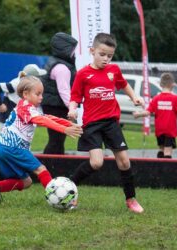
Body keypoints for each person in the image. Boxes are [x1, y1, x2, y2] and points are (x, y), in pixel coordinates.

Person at [67, 33, 144, 213]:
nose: (106, 59)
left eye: (109, 56)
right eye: (102, 54)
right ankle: (69, 188)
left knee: (124, 162)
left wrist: (134, 98)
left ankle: (131, 199)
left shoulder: (114, 70)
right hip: (92, 125)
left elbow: (123, 84)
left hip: (111, 122)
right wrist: (72, 109)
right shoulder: (83, 74)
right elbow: (75, 96)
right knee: (96, 163)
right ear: (92, 51)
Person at [0, 74, 83, 203]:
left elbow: (47, 117)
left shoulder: (24, 106)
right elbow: (42, 120)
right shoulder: (26, 108)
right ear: (25, 94)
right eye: (38, 94)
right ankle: (59, 199)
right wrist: (64, 129)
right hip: (13, 148)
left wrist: (68, 124)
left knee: (26, 182)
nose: (41, 97)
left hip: (1, 148)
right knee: (41, 169)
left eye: (42, 94)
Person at [41, 32, 78, 154]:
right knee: (57, 140)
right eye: (73, 49)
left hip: (51, 105)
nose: (75, 52)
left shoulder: (54, 62)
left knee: (57, 139)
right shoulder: (62, 68)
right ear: (65, 49)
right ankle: (49, 166)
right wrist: (72, 109)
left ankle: (54, 164)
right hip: (56, 106)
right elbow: (64, 91)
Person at [133, 73, 177, 158]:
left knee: (161, 149)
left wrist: (138, 114)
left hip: (159, 129)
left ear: (161, 84)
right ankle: (166, 169)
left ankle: (159, 168)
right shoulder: (175, 99)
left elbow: (148, 112)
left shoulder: (156, 98)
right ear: (172, 84)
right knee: (168, 151)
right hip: (170, 129)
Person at [0, 64, 46, 131]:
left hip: (16, 119)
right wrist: (0, 104)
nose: (39, 80)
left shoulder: (27, 86)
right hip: (7, 119)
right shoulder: (16, 84)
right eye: (37, 77)